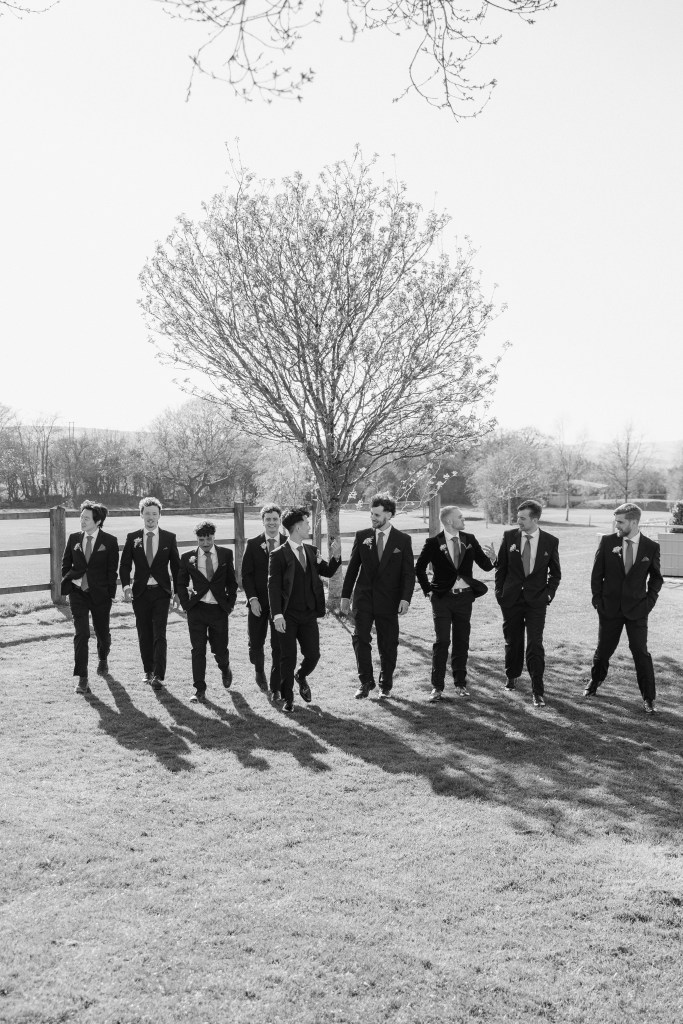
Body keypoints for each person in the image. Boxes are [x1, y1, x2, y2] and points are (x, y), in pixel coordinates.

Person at [584, 502, 663, 713]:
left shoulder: (651, 547)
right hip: (609, 608)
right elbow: (596, 574)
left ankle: (649, 698)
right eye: (616, 521)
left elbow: (656, 578)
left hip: (638, 610)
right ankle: (595, 681)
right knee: (604, 650)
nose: (616, 525)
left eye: (620, 522)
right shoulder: (608, 542)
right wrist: (598, 600)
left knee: (640, 652)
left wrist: (649, 602)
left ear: (634, 522)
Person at [415, 505, 497, 702]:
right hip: (442, 598)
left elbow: (485, 566)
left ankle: (460, 684)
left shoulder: (469, 539)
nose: (463, 519)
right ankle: (437, 687)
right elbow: (419, 568)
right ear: (449, 521)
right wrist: (428, 591)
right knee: (442, 641)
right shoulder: (433, 543)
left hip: (464, 598)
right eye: (460, 517)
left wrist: (494, 559)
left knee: (461, 641)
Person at [340, 493, 416, 700]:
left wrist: (405, 598)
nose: (372, 518)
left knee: (388, 644)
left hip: (389, 601)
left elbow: (409, 573)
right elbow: (352, 568)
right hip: (363, 598)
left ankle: (386, 684)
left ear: (388, 515)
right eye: (371, 514)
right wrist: (345, 596)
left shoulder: (403, 540)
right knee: (360, 638)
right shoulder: (362, 536)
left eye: (377, 514)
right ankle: (365, 682)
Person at [267, 506, 341, 713]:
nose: (309, 526)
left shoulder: (311, 551)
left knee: (313, 655)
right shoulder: (278, 555)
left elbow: (327, 571)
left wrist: (335, 556)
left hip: (308, 614)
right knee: (288, 658)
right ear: (298, 527)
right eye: (307, 523)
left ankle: (301, 676)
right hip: (287, 615)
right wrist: (277, 615)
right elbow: (273, 587)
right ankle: (288, 699)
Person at [494, 499, 561, 707]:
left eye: (522, 518)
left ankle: (537, 690)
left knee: (535, 644)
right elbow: (501, 568)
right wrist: (499, 593)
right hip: (511, 599)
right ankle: (512, 675)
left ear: (534, 519)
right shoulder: (509, 537)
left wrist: (548, 594)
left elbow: (555, 573)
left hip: (536, 602)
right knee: (512, 640)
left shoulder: (550, 541)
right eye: (518, 517)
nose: (518, 521)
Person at [119, 497, 180, 690]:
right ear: (141, 515)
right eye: (147, 513)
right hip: (140, 593)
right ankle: (148, 670)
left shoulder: (169, 538)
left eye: (154, 513)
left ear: (160, 515)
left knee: (159, 633)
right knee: (144, 632)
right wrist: (126, 587)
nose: (151, 517)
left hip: (162, 592)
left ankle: (158, 675)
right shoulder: (133, 537)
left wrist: (177, 592)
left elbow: (177, 567)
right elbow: (125, 565)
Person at [61, 500, 119, 694]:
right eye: (81, 517)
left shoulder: (109, 541)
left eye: (86, 518)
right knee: (82, 633)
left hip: (100, 595)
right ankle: (82, 678)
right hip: (77, 593)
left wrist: (110, 595)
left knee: (102, 633)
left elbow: (112, 571)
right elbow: (65, 564)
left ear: (97, 521)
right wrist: (69, 582)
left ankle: (103, 657)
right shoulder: (73, 539)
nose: (82, 520)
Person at [176, 520, 238, 703]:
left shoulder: (226, 554)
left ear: (214, 537)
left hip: (219, 609)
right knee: (198, 649)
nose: (205, 543)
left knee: (220, 649)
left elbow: (232, 582)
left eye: (208, 539)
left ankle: (225, 668)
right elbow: (181, 582)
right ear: (197, 539)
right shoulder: (187, 557)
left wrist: (230, 604)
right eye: (201, 540)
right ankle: (199, 689)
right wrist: (186, 604)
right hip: (197, 609)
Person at [240, 503, 288, 700]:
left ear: (280, 521)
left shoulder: (288, 543)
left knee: (278, 645)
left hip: (281, 605)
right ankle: (259, 670)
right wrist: (252, 599)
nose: (271, 523)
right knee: (256, 643)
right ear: (262, 521)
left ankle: (275, 685)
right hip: (258, 603)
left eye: (275, 519)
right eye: (268, 519)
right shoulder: (253, 544)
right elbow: (246, 574)